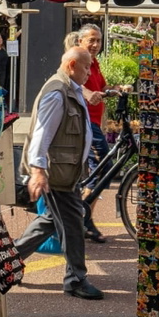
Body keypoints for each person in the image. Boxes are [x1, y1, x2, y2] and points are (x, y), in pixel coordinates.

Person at [14, 47, 102, 300]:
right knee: (73, 223)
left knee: (50, 221)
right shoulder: (57, 92)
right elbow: (42, 135)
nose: (89, 72)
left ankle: (7, 262)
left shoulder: (70, 89)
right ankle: (76, 279)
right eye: (86, 67)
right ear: (72, 65)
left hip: (65, 172)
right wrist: (38, 171)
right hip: (57, 174)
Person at [66, 24, 109, 243]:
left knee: (101, 170)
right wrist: (88, 93)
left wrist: (117, 89)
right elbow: (71, 80)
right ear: (80, 41)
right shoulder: (74, 58)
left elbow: (102, 86)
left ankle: (84, 215)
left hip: (95, 123)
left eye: (98, 41)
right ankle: (82, 216)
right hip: (84, 122)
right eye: (91, 40)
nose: (95, 45)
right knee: (103, 167)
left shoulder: (95, 63)